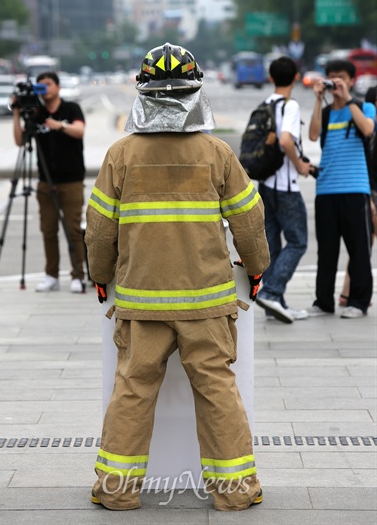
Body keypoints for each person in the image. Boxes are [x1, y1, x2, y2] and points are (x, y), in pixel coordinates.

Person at [84, 43, 270, 511]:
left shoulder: (121, 154)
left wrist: (101, 276)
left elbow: (100, 227)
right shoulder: (217, 152)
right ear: (196, 90)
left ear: (141, 92)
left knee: (132, 388)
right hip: (206, 302)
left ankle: (116, 492)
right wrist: (257, 267)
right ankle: (236, 491)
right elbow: (249, 220)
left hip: (142, 303)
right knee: (216, 388)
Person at [308, 61, 376, 318]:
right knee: (326, 250)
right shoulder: (325, 113)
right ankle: (323, 302)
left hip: (355, 188)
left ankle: (358, 302)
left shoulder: (363, 106)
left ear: (351, 81)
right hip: (326, 190)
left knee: (358, 249)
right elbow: (313, 136)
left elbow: (368, 129)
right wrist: (318, 100)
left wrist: (347, 99)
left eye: (341, 78)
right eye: (332, 78)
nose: (336, 82)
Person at [12, 71, 86, 293]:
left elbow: (80, 131)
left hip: (71, 180)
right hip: (45, 181)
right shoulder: (36, 113)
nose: (45, 90)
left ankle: (77, 275)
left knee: (73, 229)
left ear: (58, 87)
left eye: (48, 85)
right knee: (48, 230)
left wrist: (60, 125)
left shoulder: (71, 109)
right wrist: (16, 113)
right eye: (40, 86)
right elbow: (19, 141)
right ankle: (51, 275)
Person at [255, 56, 312, 324]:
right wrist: (300, 164)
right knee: (298, 241)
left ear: (270, 78)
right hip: (285, 186)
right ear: (297, 77)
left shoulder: (265, 104)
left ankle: (275, 304)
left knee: (273, 246)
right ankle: (272, 292)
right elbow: (286, 140)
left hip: (265, 185)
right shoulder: (290, 105)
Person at [338, 84, 377, 306]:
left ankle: (346, 293)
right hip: (369, 190)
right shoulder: (369, 129)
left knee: (362, 246)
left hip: (367, 190)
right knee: (362, 245)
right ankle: (348, 293)